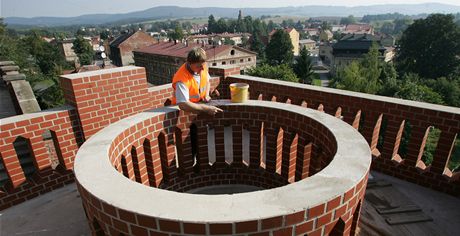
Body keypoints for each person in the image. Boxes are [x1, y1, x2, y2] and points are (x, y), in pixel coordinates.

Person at [171, 47, 223, 115]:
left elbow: (207, 81)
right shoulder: (182, 79)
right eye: (198, 66)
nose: (202, 69)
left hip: (198, 105)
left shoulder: (202, 65)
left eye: (203, 65)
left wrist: (206, 95)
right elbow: (183, 104)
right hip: (182, 111)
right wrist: (206, 109)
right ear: (189, 63)